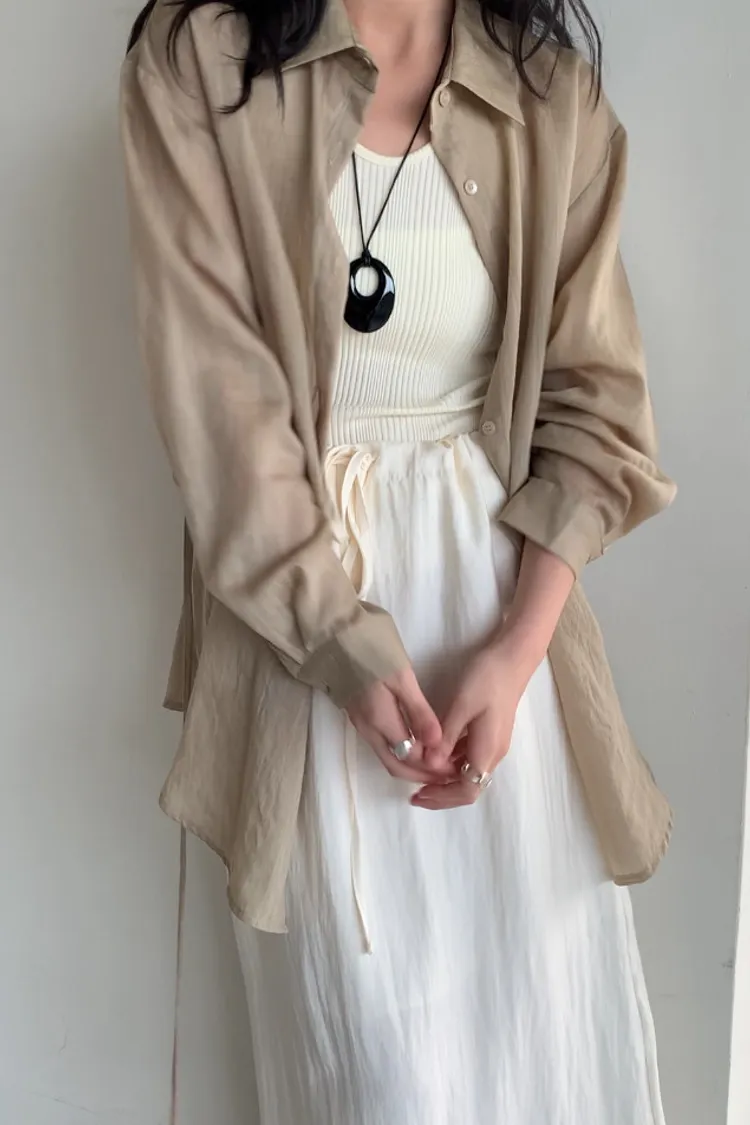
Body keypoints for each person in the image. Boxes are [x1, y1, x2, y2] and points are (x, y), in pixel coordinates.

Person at [121, 0, 676, 1121]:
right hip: (301, 628)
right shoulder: (200, 64)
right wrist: (344, 644)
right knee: (376, 1072)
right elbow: (222, 416)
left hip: (502, 635)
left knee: (538, 1051)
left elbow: (598, 409)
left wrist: (515, 655)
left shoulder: (545, 89)